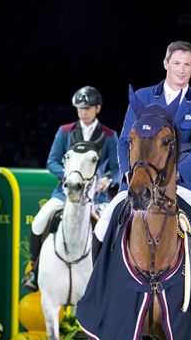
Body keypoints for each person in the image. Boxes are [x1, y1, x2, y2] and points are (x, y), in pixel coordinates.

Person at [22, 86, 120, 290]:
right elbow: (52, 161)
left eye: (87, 108)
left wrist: (108, 180)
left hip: (97, 198)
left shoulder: (110, 135)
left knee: (115, 229)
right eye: (79, 108)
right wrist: (69, 177)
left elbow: (118, 168)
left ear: (98, 108)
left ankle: (114, 275)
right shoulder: (65, 131)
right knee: (39, 222)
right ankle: (34, 270)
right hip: (65, 193)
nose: (82, 112)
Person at [118, 40, 191, 196]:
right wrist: (128, 173)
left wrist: (175, 175)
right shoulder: (142, 96)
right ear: (166, 63)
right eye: (176, 63)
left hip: (180, 184)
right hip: (137, 180)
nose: (181, 70)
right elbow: (124, 141)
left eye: (186, 65)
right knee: (108, 218)